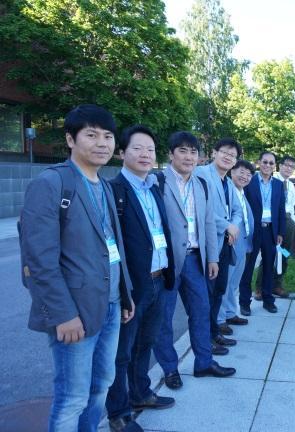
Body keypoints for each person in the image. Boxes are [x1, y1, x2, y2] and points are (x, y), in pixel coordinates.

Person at [19, 104, 135, 431]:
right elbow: (38, 260)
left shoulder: (105, 184)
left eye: (108, 136)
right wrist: (62, 314)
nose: (102, 143)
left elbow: (114, 248)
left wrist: (125, 294)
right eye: (92, 135)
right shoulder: (52, 183)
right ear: (71, 139)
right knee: (72, 396)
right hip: (75, 312)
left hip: (110, 305)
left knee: (101, 384)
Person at [105, 126, 175, 431]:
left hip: (159, 279)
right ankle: (118, 412)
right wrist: (122, 291)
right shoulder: (114, 190)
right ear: (122, 152)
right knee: (121, 352)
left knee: (145, 343)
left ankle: (141, 392)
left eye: (150, 149)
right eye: (137, 148)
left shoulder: (154, 187)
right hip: (133, 285)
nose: (145, 154)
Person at [153, 131, 235, 391]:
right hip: (166, 261)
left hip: (195, 259)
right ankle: (169, 368)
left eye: (193, 152)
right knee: (163, 318)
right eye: (182, 151)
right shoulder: (157, 181)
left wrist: (212, 257)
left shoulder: (201, 184)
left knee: (200, 311)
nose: (189, 157)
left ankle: (203, 362)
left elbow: (209, 222)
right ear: (171, 154)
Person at [195, 138, 242, 348]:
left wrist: (233, 225)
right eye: (225, 152)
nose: (228, 157)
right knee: (207, 294)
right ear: (214, 153)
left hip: (225, 245)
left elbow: (238, 211)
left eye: (233, 155)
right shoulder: (201, 174)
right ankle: (205, 339)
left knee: (219, 290)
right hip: (207, 247)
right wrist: (226, 226)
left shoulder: (229, 182)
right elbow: (201, 210)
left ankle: (214, 333)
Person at [239, 151, 286, 315]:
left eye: (271, 163)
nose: (267, 165)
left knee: (268, 267)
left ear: (275, 166)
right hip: (253, 230)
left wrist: (280, 231)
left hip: (271, 230)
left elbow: (281, 210)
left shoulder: (279, 185)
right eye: (265, 162)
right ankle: (244, 303)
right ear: (259, 163)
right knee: (248, 267)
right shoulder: (249, 181)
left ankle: (268, 300)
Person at [218, 160, 256, 334]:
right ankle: (219, 319)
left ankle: (230, 313)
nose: (245, 176)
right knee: (224, 283)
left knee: (234, 283)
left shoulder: (242, 192)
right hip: (230, 243)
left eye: (249, 174)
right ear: (232, 171)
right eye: (241, 172)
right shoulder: (226, 191)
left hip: (243, 243)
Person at [263, 155, 295, 298]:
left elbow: (290, 206)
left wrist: (292, 220)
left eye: (292, 166)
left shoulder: (291, 185)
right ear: (280, 166)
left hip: (288, 222)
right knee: (269, 254)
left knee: (284, 253)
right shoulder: (272, 181)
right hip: (273, 222)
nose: (289, 168)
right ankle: (261, 286)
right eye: (286, 165)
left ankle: (277, 285)